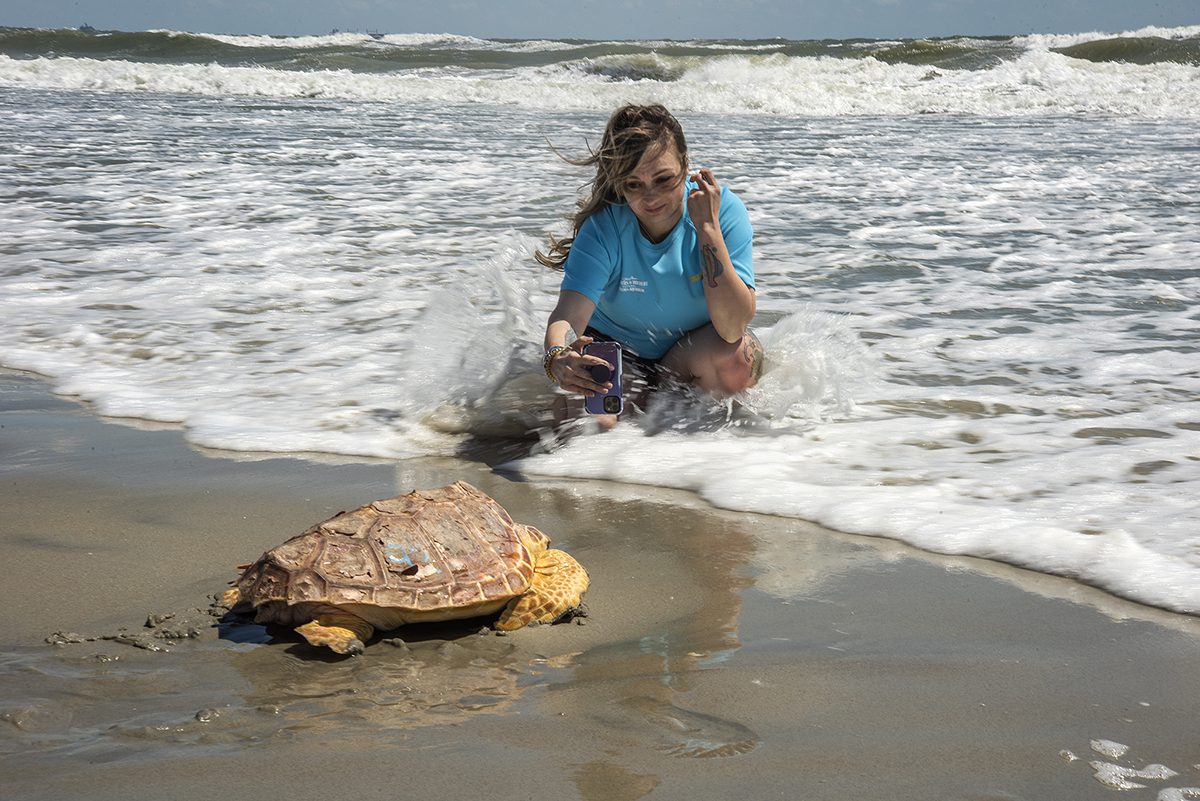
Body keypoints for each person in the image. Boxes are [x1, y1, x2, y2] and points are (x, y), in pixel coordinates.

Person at [538, 103, 764, 421]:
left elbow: (732, 327)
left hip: (691, 357)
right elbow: (567, 316)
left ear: (685, 165)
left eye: (663, 179)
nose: (651, 197)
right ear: (619, 184)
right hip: (618, 355)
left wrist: (708, 231)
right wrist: (558, 357)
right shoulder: (604, 227)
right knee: (585, 428)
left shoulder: (722, 209)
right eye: (634, 184)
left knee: (738, 360)